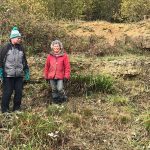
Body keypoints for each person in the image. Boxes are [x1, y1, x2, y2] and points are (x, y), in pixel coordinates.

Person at [0, 26, 30, 113]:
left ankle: (16, 109)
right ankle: (4, 110)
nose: (19, 39)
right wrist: (1, 71)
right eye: (18, 38)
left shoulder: (21, 48)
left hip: (19, 75)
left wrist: (26, 70)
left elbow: (24, 60)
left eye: (20, 38)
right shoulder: (5, 47)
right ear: (12, 38)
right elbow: (0, 60)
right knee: (8, 92)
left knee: (19, 93)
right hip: (8, 75)